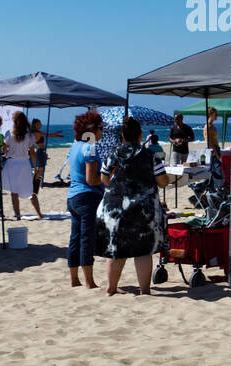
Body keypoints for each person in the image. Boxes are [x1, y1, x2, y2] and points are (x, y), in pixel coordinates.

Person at [96, 117, 172, 295]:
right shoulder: (150, 155)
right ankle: (144, 290)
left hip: (115, 207)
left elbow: (104, 178)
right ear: (140, 135)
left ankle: (111, 288)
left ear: (122, 135)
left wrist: (117, 184)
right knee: (143, 250)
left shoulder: (114, 153)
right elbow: (163, 182)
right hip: (142, 208)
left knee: (116, 249)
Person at [66, 111, 104, 289]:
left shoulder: (75, 145)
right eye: (101, 128)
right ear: (92, 129)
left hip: (73, 196)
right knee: (87, 239)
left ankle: (74, 279)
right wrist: (108, 177)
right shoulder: (90, 147)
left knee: (75, 237)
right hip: (87, 196)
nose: (102, 131)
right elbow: (91, 179)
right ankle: (89, 282)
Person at [3, 112, 42, 220]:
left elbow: (4, 149)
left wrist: (8, 151)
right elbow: (32, 153)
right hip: (24, 163)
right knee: (30, 189)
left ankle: (18, 214)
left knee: (14, 191)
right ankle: (39, 213)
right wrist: (35, 167)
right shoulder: (29, 135)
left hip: (12, 164)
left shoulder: (9, 133)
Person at [31, 118, 61, 191]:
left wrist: (56, 135)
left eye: (40, 123)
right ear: (35, 125)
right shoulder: (37, 133)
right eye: (39, 123)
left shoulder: (37, 132)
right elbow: (48, 135)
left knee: (41, 169)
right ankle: (35, 184)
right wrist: (57, 134)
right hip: (40, 152)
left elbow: (48, 135)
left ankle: (38, 183)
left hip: (41, 151)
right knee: (40, 170)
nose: (40, 125)